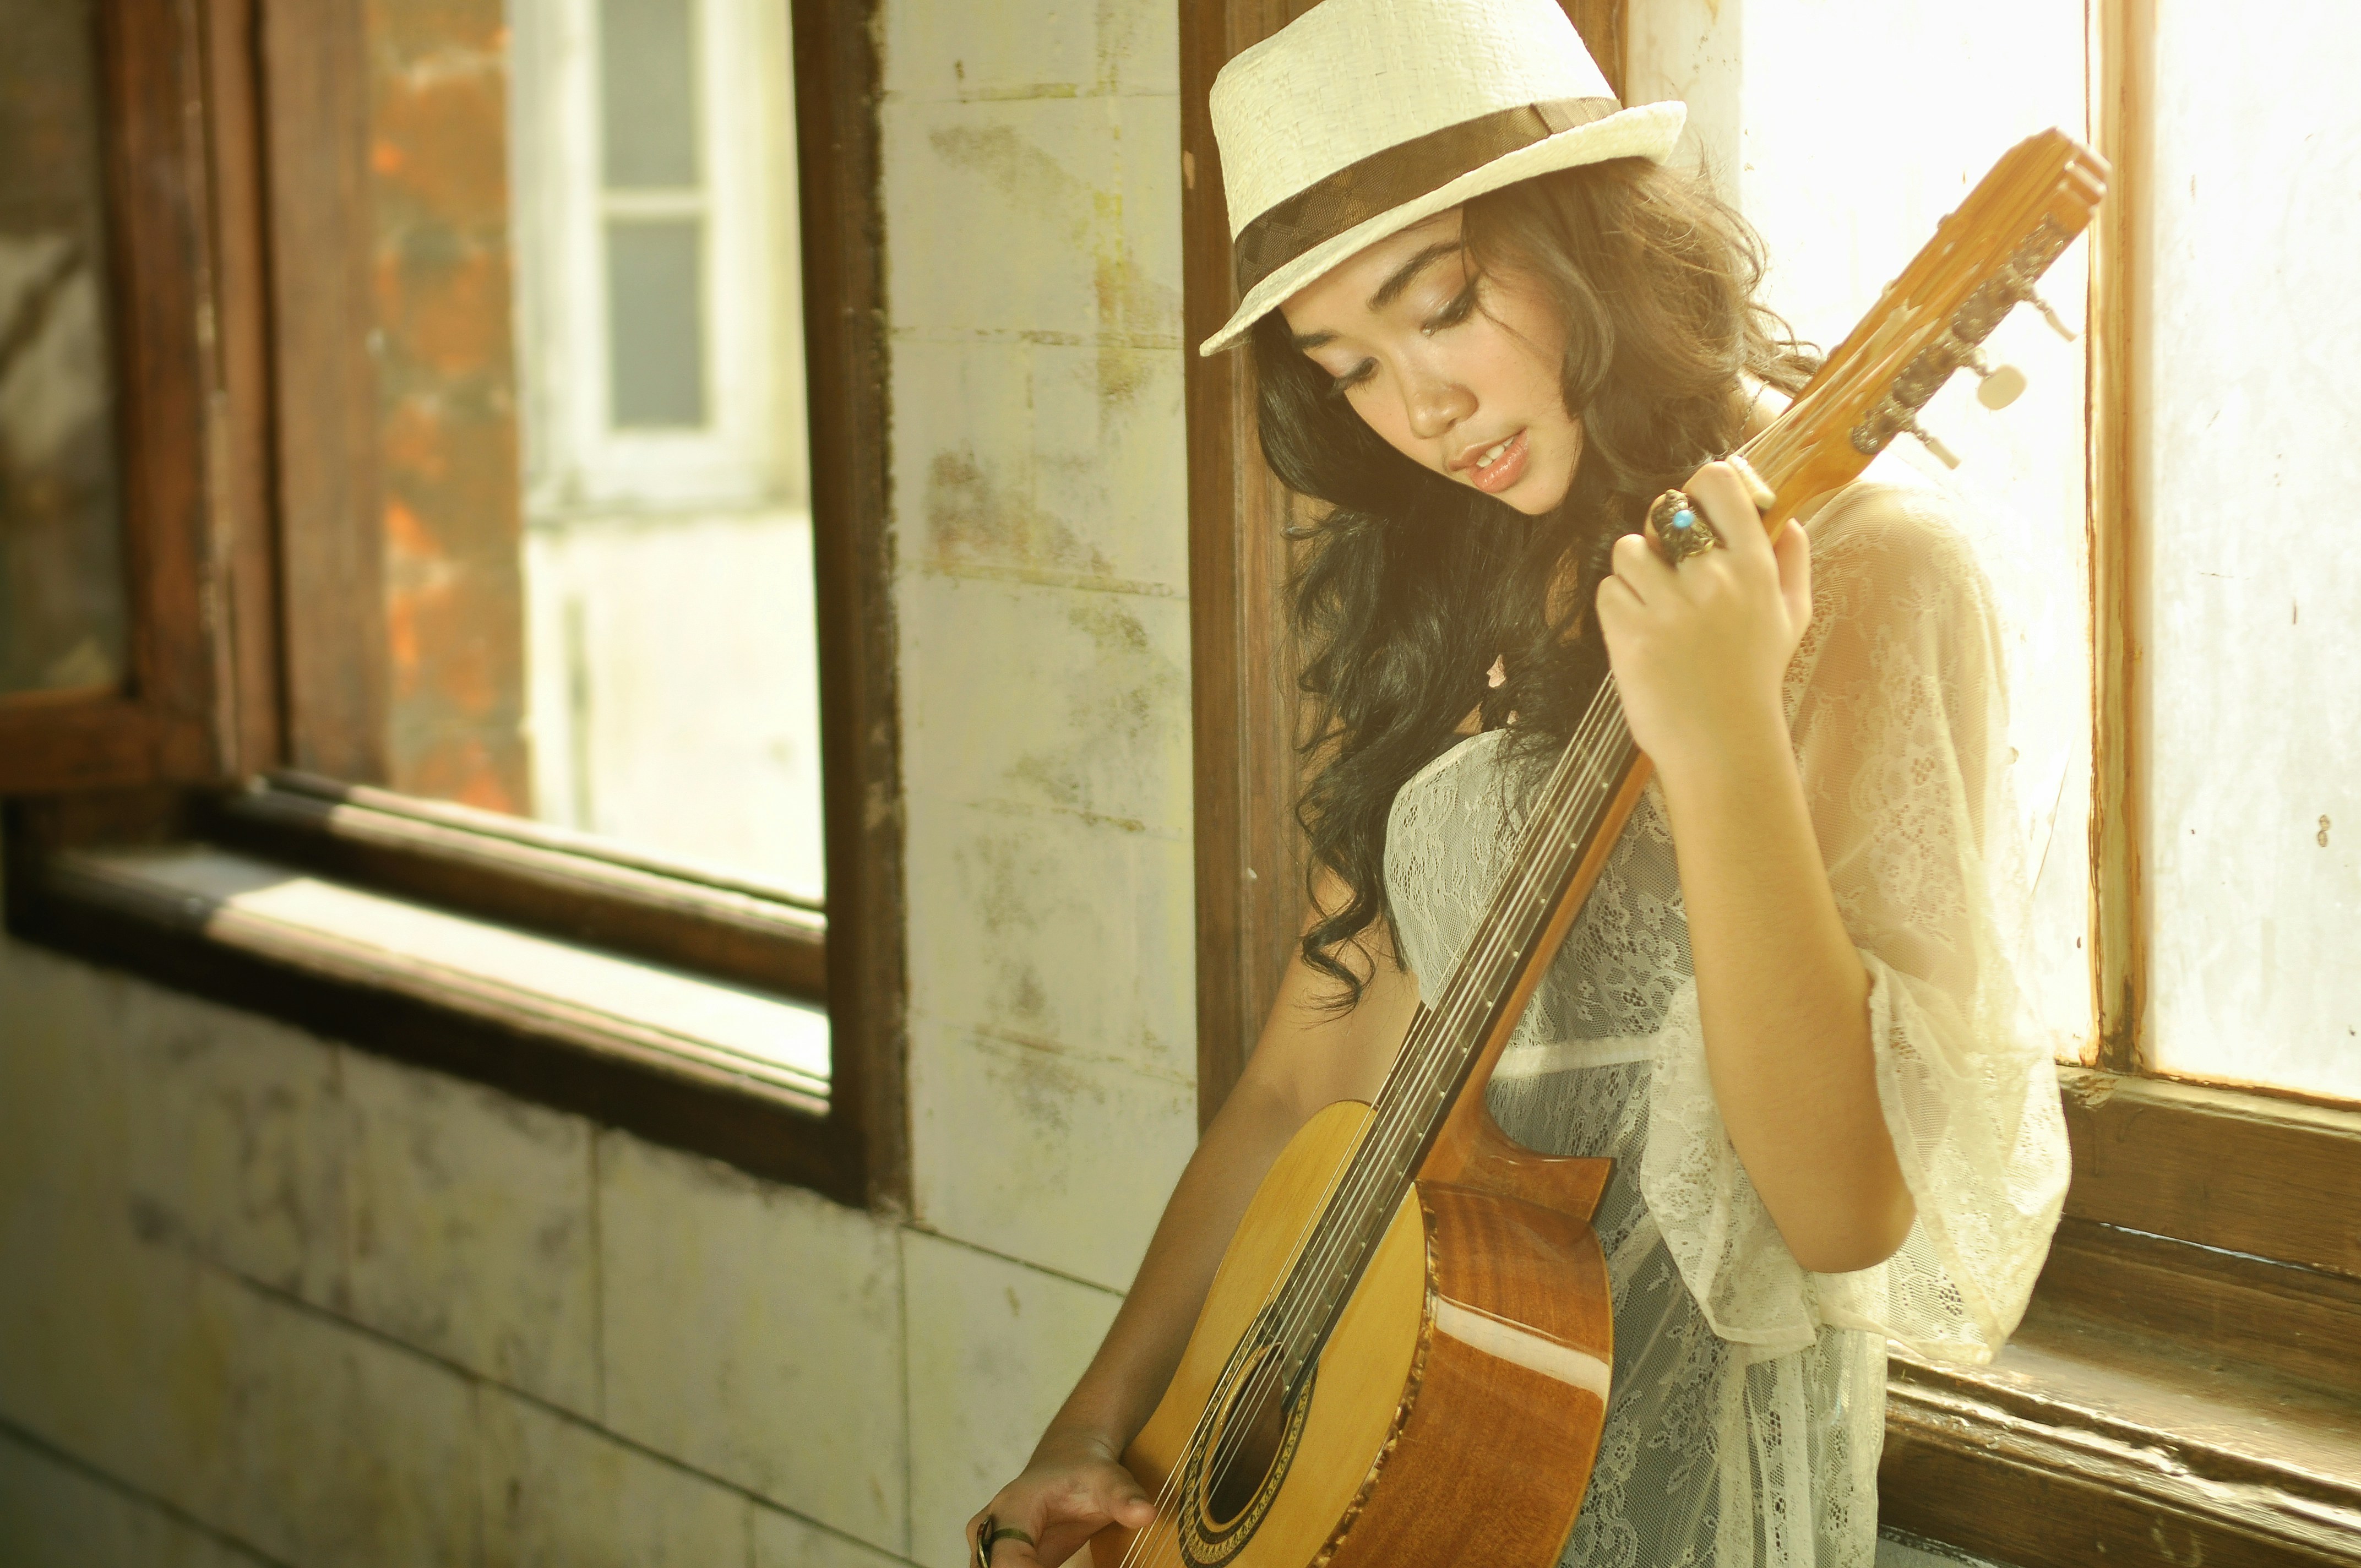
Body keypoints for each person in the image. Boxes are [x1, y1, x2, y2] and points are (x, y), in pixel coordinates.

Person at [971, 1, 2071, 1563]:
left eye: (1441, 306)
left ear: (1597, 244)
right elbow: (1309, 1074)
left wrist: (1721, 736)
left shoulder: (1879, 577)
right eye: (1346, 364)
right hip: (1383, 1480)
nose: (1419, 409)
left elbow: (1843, 1217)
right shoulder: (1450, 591)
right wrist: (1090, 1436)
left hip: (1679, 1502)